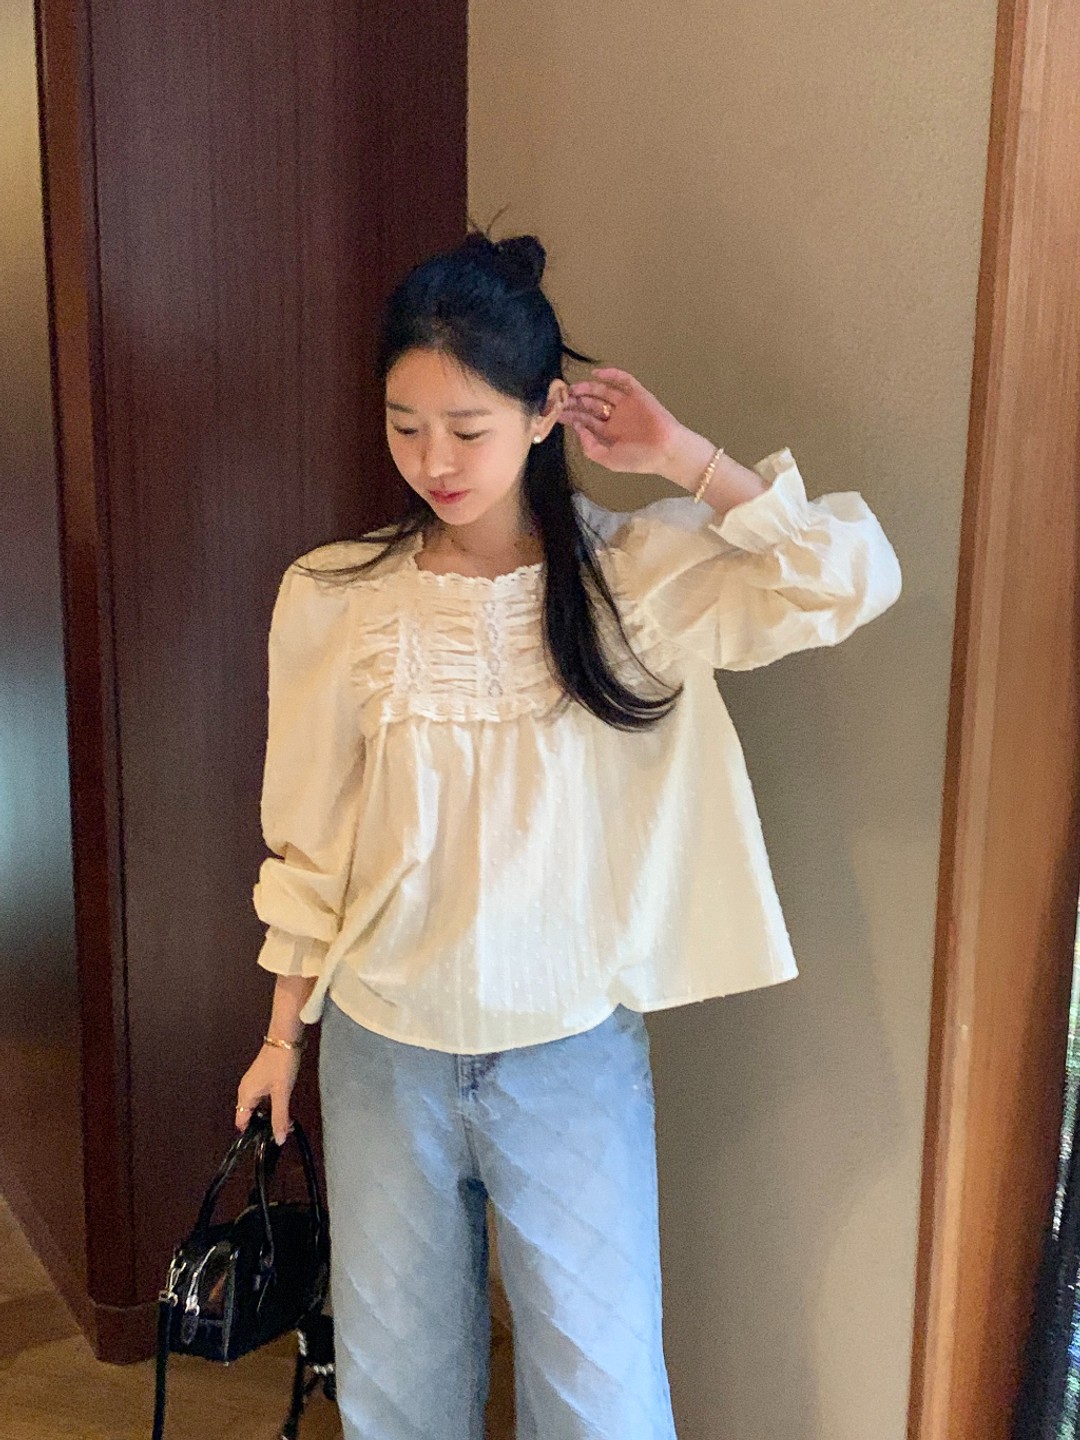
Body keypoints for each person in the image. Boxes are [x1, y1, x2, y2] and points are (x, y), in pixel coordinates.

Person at [234, 230, 902, 1439]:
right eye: (404, 425)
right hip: (383, 1053)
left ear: (545, 414)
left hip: (568, 1055)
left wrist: (686, 457)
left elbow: (846, 578)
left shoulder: (634, 578)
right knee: (394, 1399)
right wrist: (284, 1036)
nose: (434, 461)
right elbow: (312, 843)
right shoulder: (333, 597)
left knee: (604, 1402)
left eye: (467, 428)